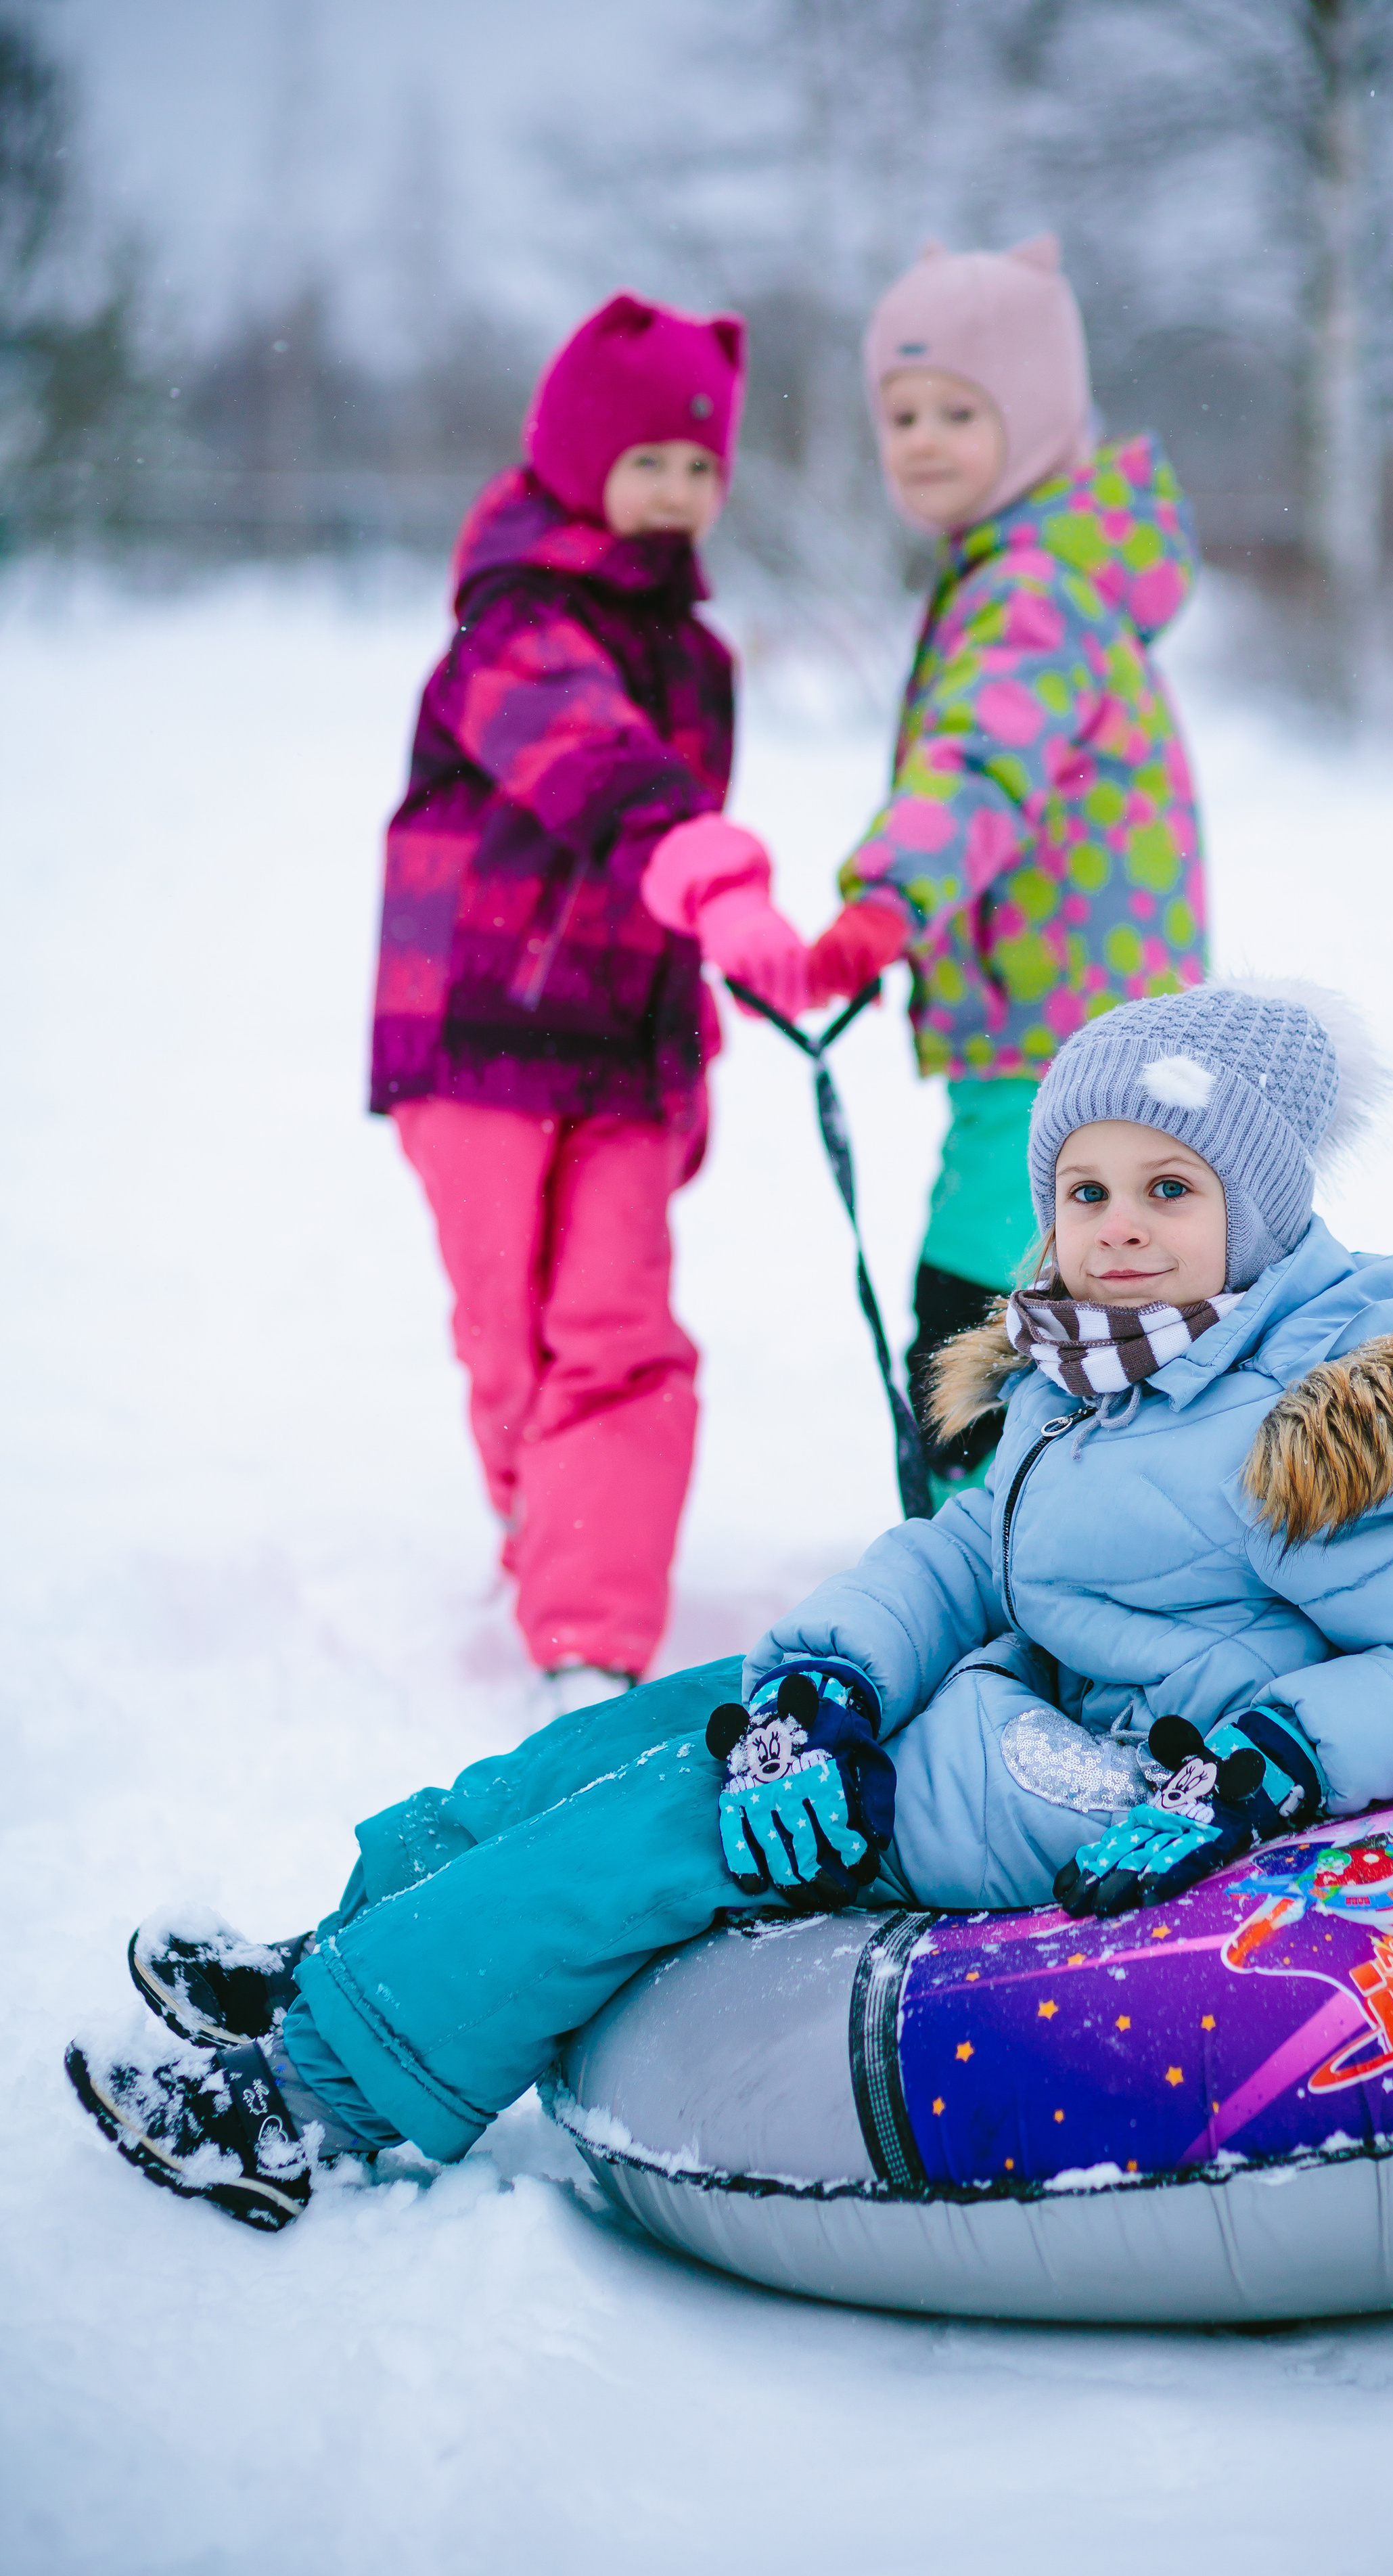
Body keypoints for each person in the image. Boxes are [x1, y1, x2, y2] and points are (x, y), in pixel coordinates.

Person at [67, 983, 1393, 2232]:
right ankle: (356, 1940)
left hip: (1118, 1783)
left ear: (1253, 1208)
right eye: (1082, 1191)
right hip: (1020, 1698)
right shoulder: (1095, 1369)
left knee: (687, 1819)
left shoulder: (1323, 1411)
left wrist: (1255, 1762)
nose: (1116, 1228)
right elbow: (961, 1555)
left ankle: (324, 2103)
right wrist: (820, 1685)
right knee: (696, 1716)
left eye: (1167, 1190)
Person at [367, 293, 808, 1725]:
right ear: (571, 458)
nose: (677, 493)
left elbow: (654, 834)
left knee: (615, 1328)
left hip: (622, 1048)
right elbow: (594, 765)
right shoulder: (511, 629)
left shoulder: (704, 658)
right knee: (509, 1336)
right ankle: (547, 1539)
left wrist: (714, 956)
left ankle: (588, 1634)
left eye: (700, 469)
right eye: (649, 463)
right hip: (478, 1040)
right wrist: (709, 870)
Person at [806, 235, 1210, 1496]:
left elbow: (983, 762)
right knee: (1063, 1257)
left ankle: (981, 1532)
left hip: (1058, 1013)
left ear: (1033, 420)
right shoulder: (1037, 562)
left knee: (985, 1269)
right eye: (901, 413)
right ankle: (1052, 1511)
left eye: (958, 412)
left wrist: (889, 901)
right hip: (1070, 995)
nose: (921, 439)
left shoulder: (1033, 584)